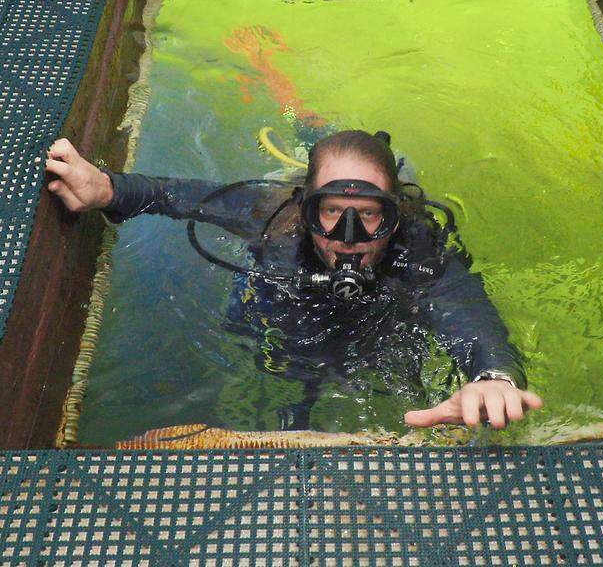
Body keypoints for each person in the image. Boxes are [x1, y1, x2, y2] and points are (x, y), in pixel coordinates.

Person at [44, 130, 542, 431]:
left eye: (368, 215)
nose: (348, 238)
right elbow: (180, 195)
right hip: (288, 327)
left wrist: (491, 376)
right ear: (305, 210)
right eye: (331, 212)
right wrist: (107, 188)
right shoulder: (272, 219)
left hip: (379, 336)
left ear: (396, 214)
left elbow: (469, 313)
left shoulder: (418, 252)